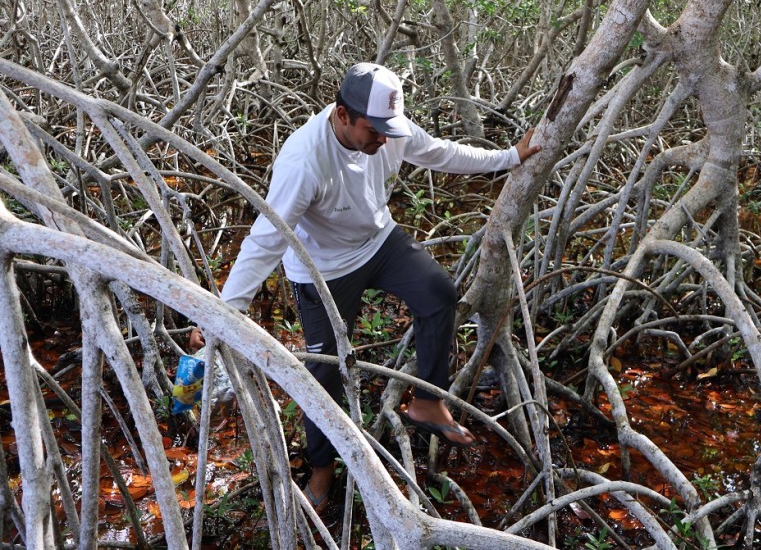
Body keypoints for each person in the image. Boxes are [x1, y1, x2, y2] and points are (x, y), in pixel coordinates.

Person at [191, 62, 540, 512]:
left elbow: (439, 152)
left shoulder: (389, 131)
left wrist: (509, 157)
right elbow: (266, 238)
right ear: (341, 114)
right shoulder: (304, 161)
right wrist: (223, 312)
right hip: (324, 269)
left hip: (379, 241)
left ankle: (428, 402)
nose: (383, 139)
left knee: (438, 294)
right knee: (327, 372)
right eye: (372, 130)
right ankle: (321, 468)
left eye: (388, 130)